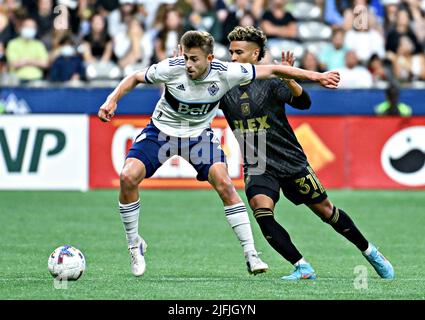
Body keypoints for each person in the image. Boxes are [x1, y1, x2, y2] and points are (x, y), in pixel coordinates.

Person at [97, 30, 340, 277]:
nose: (188, 64)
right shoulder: (171, 67)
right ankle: (134, 245)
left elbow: (274, 71)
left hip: (198, 137)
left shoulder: (227, 72)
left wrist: (317, 76)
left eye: (194, 59)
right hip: (162, 132)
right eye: (186, 57)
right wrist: (112, 100)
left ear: (210, 58)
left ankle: (251, 254)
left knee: (225, 184)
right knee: (128, 177)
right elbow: (135, 77)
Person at [219, 26, 394, 280]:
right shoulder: (223, 87)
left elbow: (304, 103)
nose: (233, 58)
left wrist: (289, 79)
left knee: (327, 212)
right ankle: (302, 266)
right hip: (257, 164)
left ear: (256, 54)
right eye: (231, 52)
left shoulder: (271, 82)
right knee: (261, 212)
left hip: (290, 161)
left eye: (239, 52)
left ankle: (370, 252)